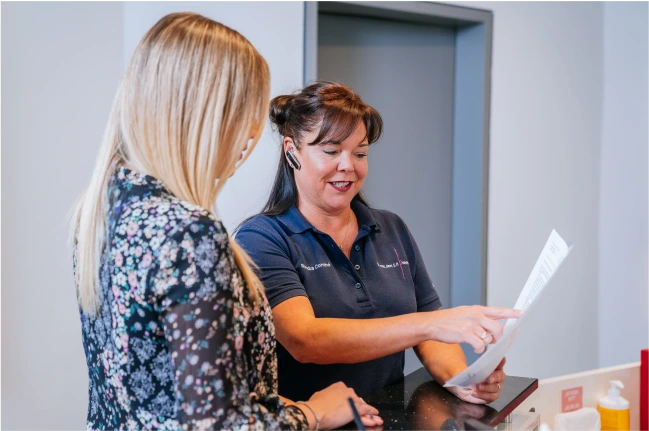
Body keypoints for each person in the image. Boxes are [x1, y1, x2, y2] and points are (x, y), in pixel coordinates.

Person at [70, 14, 382, 430]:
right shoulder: (189, 234)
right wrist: (312, 412)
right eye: (243, 116)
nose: (251, 137)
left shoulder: (102, 210)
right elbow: (221, 425)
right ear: (204, 116)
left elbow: (165, 392)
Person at [236, 81, 521, 404]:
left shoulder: (390, 228)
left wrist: (462, 380)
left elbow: (432, 335)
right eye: (331, 151)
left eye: (360, 153)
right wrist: (429, 324)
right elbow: (306, 340)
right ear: (292, 152)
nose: (348, 166)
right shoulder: (262, 238)